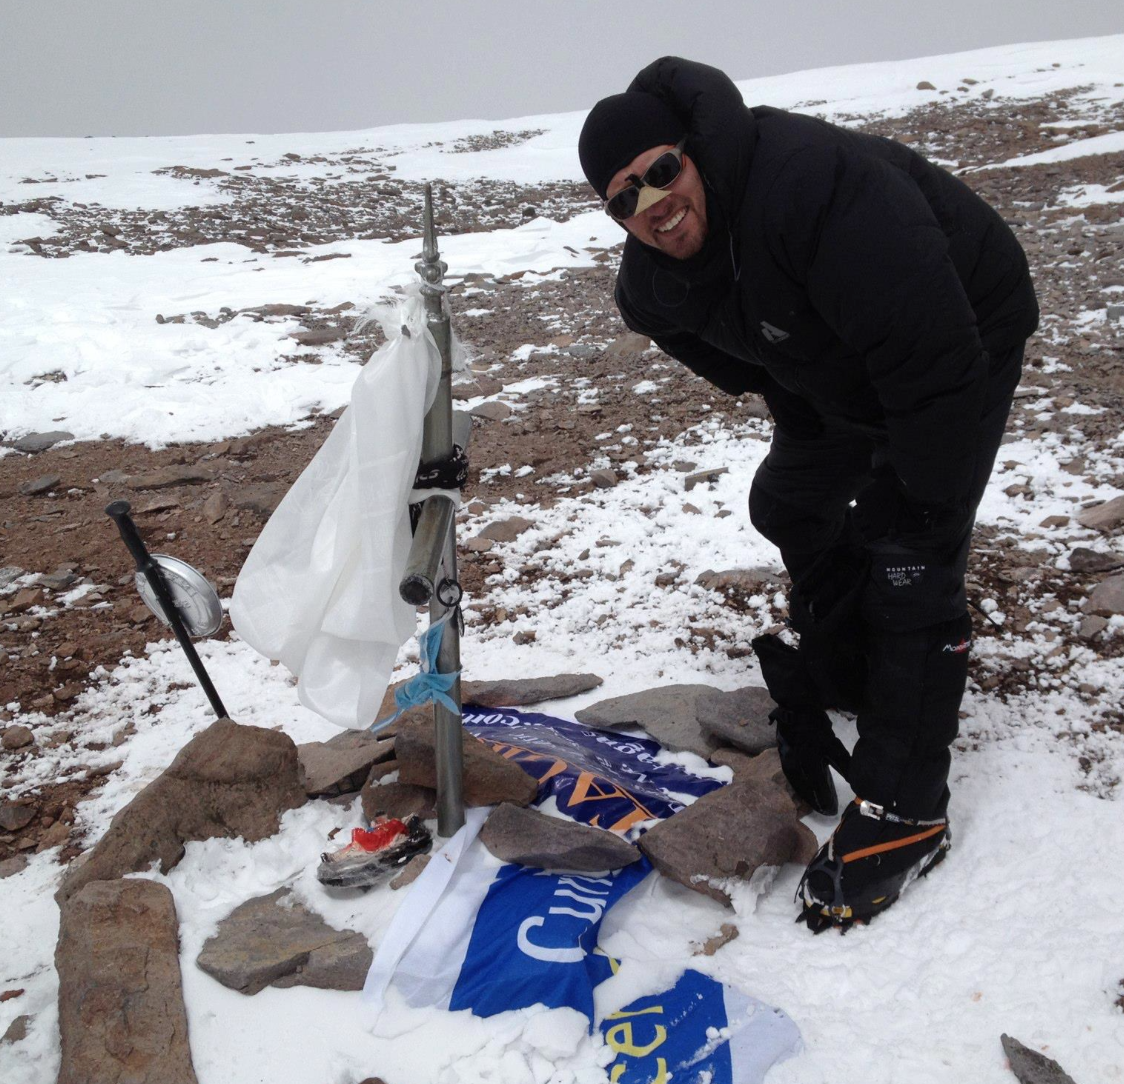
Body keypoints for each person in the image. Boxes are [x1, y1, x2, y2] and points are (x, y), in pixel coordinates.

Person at [578, 57, 1039, 932]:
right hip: (847, 362)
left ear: (693, 153)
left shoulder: (811, 188)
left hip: (964, 327)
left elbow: (936, 361)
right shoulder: (652, 290)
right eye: (623, 199)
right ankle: (853, 661)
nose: (653, 205)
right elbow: (747, 361)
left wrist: (922, 508)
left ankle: (908, 809)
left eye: (662, 172)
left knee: (911, 548)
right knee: (789, 501)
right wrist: (821, 422)